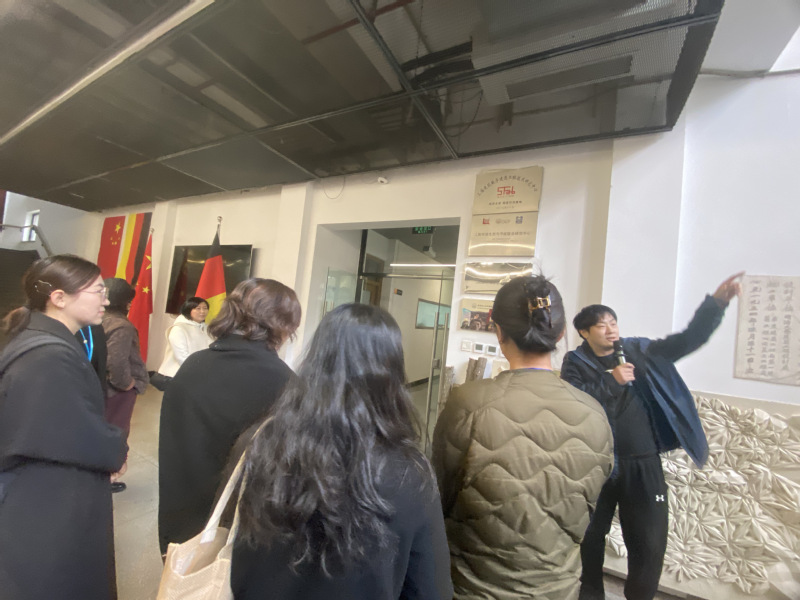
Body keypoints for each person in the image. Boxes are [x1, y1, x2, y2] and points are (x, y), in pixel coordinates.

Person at [231, 303, 453, 600]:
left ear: (317, 359)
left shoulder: (260, 443)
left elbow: (237, 549)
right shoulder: (409, 473)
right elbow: (429, 590)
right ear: (392, 372)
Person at [560, 272, 743, 600]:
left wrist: (715, 305)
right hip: (597, 461)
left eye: (613, 322)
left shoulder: (638, 349)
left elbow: (685, 340)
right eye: (601, 325)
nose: (611, 329)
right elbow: (573, 401)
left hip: (644, 462)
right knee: (590, 536)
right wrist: (611, 380)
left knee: (649, 541)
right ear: (584, 332)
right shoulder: (575, 361)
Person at [432, 276, 614, 600]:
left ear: (498, 331)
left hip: (474, 586)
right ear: (561, 333)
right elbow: (591, 503)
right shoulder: (594, 412)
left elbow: (440, 496)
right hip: (560, 588)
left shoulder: (468, 403)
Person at [0, 255, 127, 600]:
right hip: (45, 495)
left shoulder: (42, 336)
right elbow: (70, 430)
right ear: (59, 298)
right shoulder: (48, 357)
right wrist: (116, 448)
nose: (106, 301)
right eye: (98, 291)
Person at [158, 278, 301, 555]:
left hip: (183, 528)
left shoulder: (193, 366)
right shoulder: (285, 383)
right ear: (283, 325)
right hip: (242, 537)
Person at [102, 277, 149, 493]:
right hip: (116, 391)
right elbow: (116, 362)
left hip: (100, 387)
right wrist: (128, 384)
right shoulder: (121, 325)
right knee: (116, 433)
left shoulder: (96, 319)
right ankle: (107, 478)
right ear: (126, 302)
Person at [151, 296, 212, 391]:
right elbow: (182, 357)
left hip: (200, 375)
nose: (202, 311)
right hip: (177, 375)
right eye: (198, 308)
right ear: (188, 310)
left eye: (205, 308)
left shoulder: (207, 328)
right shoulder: (179, 328)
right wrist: (199, 373)